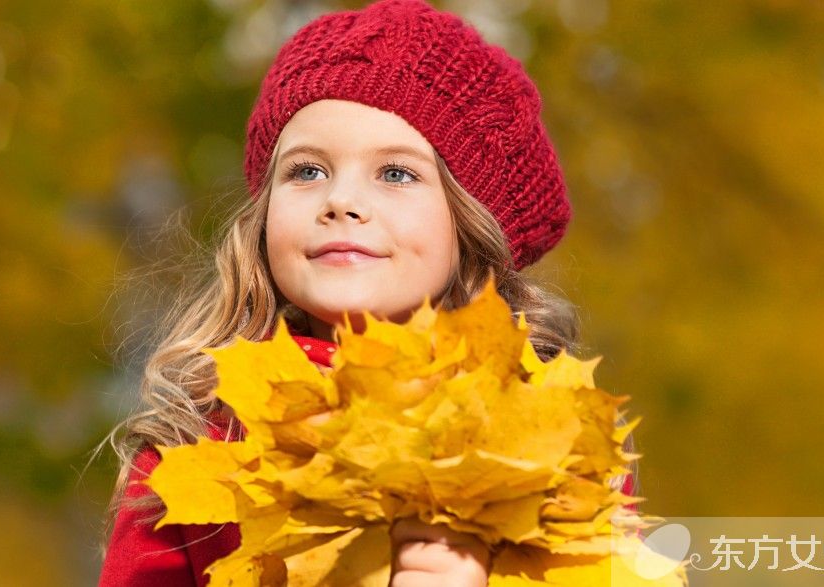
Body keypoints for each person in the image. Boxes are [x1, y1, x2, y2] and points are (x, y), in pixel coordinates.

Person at [99, 0, 634, 585]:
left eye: (396, 174)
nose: (340, 200)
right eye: (307, 171)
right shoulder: (198, 444)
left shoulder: (549, 440)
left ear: (471, 227)